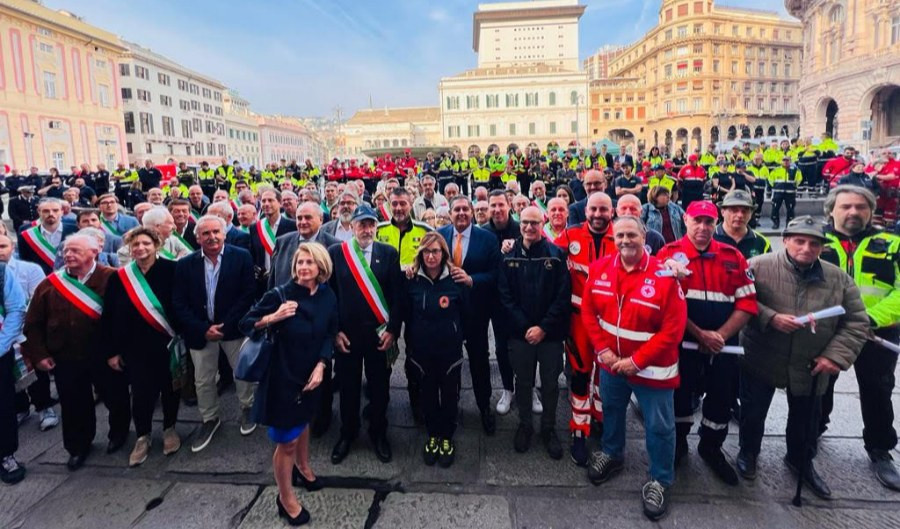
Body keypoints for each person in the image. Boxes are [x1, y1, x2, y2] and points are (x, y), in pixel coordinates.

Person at [738, 216, 869, 499]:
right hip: (762, 356)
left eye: (814, 243)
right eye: (799, 240)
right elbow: (740, 300)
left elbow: (857, 322)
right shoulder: (758, 267)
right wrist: (770, 317)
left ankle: (800, 460)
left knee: (806, 420)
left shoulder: (838, 278)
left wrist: (834, 357)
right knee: (753, 412)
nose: (806, 248)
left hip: (812, 362)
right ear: (785, 240)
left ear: (822, 247)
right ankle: (748, 452)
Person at [581, 215, 686, 520]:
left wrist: (636, 361)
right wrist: (603, 350)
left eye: (631, 235)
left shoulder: (665, 275)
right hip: (612, 365)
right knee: (612, 411)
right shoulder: (600, 269)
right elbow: (589, 312)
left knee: (659, 426)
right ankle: (613, 454)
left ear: (645, 237)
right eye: (619, 236)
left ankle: (661, 479)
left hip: (652, 370)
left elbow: (673, 330)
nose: (625, 241)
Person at [657, 201, 757, 486]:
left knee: (721, 399)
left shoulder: (733, 256)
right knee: (679, 397)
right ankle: (678, 445)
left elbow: (747, 304)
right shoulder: (668, 255)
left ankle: (711, 447)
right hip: (683, 345)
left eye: (709, 222)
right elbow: (664, 304)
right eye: (697, 221)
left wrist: (720, 336)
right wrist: (700, 334)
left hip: (723, 348)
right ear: (686, 220)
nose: (702, 227)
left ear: (716, 224)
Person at [240, 244, 338, 526]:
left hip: (312, 373)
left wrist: (322, 365)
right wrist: (274, 317)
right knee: (287, 441)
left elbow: (330, 332)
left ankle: (304, 468)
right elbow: (245, 324)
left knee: (305, 421)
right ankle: (285, 498)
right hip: (283, 375)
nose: (303, 267)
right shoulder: (279, 294)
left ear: (321, 267)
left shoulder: (327, 294)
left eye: (310, 262)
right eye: (299, 262)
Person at [22, 234, 131, 470]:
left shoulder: (112, 277)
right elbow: (33, 323)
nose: (68, 255)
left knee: (116, 397)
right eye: (66, 251)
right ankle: (78, 446)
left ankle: (119, 434)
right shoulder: (50, 284)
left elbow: (124, 319)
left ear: (94, 253)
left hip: (104, 355)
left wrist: (118, 351)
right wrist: (39, 354)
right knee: (73, 404)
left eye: (75, 251)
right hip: (66, 356)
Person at [817, 186, 900, 491]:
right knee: (820, 384)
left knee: (877, 389)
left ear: (871, 211)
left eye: (861, 207)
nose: (853, 212)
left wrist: (871, 319)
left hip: (877, 330)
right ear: (831, 211)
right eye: (846, 206)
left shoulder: (892, 243)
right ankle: (815, 430)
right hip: (829, 330)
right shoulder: (814, 240)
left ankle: (880, 449)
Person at [172, 215, 257, 453]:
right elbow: (179, 302)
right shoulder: (185, 264)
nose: (212, 237)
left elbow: (247, 293)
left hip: (232, 328)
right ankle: (210, 418)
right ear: (197, 237)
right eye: (206, 233)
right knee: (203, 378)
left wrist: (224, 325)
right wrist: (202, 328)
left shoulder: (241, 257)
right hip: (200, 332)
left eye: (216, 232)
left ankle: (247, 407)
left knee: (242, 371)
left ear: (224, 234)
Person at [328, 205, 402, 464]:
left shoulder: (388, 253)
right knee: (348, 389)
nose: (367, 229)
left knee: (380, 389)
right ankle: (347, 434)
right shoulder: (338, 253)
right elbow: (330, 296)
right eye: (361, 224)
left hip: (378, 336)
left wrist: (393, 330)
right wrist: (335, 331)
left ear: (376, 227)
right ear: (353, 226)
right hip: (347, 337)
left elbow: (397, 296)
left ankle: (378, 434)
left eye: (371, 224)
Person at [102, 228, 181, 467]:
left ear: (156, 245)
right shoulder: (120, 277)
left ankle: (170, 429)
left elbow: (180, 304)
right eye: (135, 245)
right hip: (134, 346)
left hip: (166, 342)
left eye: (146, 243)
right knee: (141, 393)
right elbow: (109, 315)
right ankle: (143, 436)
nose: (140, 248)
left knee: (170, 388)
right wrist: (112, 351)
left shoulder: (172, 270)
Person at [499, 206, 571, 458]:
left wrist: (543, 328)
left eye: (534, 223)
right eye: (525, 223)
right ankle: (525, 424)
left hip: (549, 334)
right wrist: (525, 327)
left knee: (551, 383)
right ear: (519, 225)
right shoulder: (508, 256)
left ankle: (548, 428)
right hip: (520, 334)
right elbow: (505, 297)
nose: (529, 227)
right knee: (523, 381)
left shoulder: (556, 255)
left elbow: (563, 297)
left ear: (544, 223)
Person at [553, 192, 616, 464]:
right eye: (594, 209)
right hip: (578, 319)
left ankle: (601, 421)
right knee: (579, 374)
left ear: (611, 211)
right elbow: (548, 254)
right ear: (585, 210)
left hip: (612, 322)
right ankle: (579, 428)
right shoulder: (571, 235)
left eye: (604, 209)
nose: (598, 214)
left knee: (607, 374)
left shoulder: (623, 236)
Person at [402, 233, 467, 467]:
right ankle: (432, 435)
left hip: (449, 352)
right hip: (421, 352)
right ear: (420, 254)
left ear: (443, 254)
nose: (431, 256)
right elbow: (404, 312)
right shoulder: (411, 279)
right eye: (426, 252)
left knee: (450, 395)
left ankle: (447, 436)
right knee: (427, 395)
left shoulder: (456, 279)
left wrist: (460, 338)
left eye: (436, 251)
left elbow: (466, 313)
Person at [438, 196, 501, 435]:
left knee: (479, 361)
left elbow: (496, 274)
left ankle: (484, 407)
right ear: (450, 213)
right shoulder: (440, 234)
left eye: (466, 209)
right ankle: (450, 409)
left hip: (476, 310)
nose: (462, 213)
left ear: (473, 212)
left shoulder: (487, 238)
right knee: (449, 361)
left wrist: (472, 279)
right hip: (447, 311)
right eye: (457, 210)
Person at [481, 191, 519, 421]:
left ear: (509, 205)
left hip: (521, 297)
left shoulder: (521, 228)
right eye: (492, 206)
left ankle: (529, 388)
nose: (496, 210)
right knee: (502, 347)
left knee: (524, 345)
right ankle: (508, 388)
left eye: (500, 205)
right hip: (494, 298)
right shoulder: (483, 232)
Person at [0, 255, 29, 484]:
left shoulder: (1, 272)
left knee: (2, 406)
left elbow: (16, 309)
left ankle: (6, 455)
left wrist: (1, 345)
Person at [18, 198, 77, 275]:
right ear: (39, 212)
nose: (51, 214)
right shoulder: (26, 235)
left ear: (62, 212)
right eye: (46, 211)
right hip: (39, 279)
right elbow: (25, 262)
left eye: (55, 210)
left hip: (70, 279)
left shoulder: (74, 230)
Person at [715, 190, 771, 258]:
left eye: (744, 211)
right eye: (734, 210)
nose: (740, 215)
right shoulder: (710, 237)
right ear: (723, 212)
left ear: (751, 214)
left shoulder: (762, 242)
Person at [768, 156, 803, 229]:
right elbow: (770, 179)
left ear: (790, 161)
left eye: (787, 160)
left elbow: (799, 179)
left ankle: (789, 223)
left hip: (790, 193)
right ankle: (776, 223)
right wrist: (774, 185)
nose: (785, 162)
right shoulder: (776, 170)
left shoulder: (796, 170)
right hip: (778, 193)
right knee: (775, 208)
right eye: (784, 160)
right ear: (781, 161)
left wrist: (794, 186)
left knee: (790, 209)